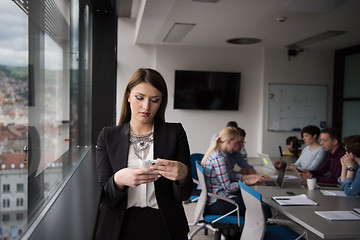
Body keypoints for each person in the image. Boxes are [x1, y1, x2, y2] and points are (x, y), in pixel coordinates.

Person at [95, 68, 193, 240]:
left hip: (166, 225)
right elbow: (106, 198)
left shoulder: (175, 132)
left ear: (161, 102)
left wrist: (183, 174)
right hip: (120, 226)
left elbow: (183, 195)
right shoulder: (107, 136)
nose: (146, 106)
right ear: (128, 96)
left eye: (155, 100)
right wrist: (118, 180)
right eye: (139, 98)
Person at [201, 126, 270, 217]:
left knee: (254, 201)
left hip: (219, 198)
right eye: (236, 142)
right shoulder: (219, 158)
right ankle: (268, 230)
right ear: (228, 141)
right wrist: (246, 182)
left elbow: (231, 175)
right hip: (217, 202)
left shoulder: (219, 155)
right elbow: (228, 188)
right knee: (260, 208)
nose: (237, 145)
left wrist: (254, 177)